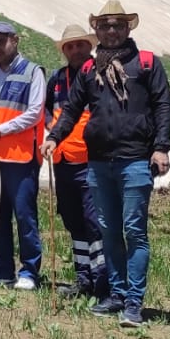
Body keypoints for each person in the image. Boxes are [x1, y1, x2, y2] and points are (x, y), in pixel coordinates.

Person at [41, 0, 170, 325]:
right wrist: (55, 136)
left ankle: (133, 301)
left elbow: (163, 105)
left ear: (128, 28)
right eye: (105, 25)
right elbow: (72, 108)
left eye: (117, 24)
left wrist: (161, 147)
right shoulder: (89, 70)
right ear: (97, 29)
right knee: (109, 230)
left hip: (136, 160)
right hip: (98, 161)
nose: (111, 30)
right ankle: (116, 293)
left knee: (134, 230)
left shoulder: (146, 63)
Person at [0, 21, 47, 291]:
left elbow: (35, 112)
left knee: (24, 215)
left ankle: (29, 272)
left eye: (0, 43)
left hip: (20, 157)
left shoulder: (33, 72)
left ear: (15, 40)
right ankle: (3, 271)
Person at [46, 24, 108, 302]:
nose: (75, 50)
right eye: (69, 46)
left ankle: (101, 280)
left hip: (92, 160)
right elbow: (47, 111)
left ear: (89, 46)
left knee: (94, 222)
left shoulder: (101, 74)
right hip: (63, 162)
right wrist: (51, 131)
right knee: (73, 221)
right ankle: (83, 279)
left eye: (80, 45)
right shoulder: (57, 79)